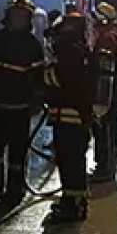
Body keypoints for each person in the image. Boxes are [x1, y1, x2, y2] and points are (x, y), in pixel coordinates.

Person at [0, 0, 45, 203]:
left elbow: (38, 77)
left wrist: (37, 101)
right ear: (9, 16)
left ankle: (15, 190)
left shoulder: (33, 45)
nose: (19, 19)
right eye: (16, 15)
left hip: (20, 108)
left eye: (23, 16)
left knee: (18, 154)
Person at [40, 12, 94, 223]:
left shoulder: (68, 52)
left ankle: (72, 206)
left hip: (69, 117)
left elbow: (59, 80)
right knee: (74, 162)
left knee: (70, 162)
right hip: (76, 116)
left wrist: (41, 75)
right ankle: (74, 201)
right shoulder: (81, 51)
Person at [90, 2, 117, 183]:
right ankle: (103, 165)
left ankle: (106, 168)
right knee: (104, 130)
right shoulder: (108, 36)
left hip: (108, 94)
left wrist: (99, 102)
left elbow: (104, 71)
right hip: (111, 92)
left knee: (106, 130)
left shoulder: (107, 39)